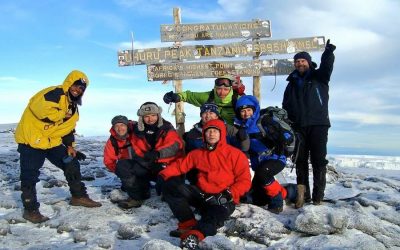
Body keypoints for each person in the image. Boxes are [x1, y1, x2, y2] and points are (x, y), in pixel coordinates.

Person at [14, 70, 102, 224]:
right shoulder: (54, 94)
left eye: (82, 88)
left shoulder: (72, 107)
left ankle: (78, 196)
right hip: (32, 141)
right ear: (69, 83)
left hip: (52, 142)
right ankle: (30, 210)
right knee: (29, 176)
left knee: (71, 162)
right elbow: (41, 111)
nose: (78, 90)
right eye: (76, 85)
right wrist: (63, 114)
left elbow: (68, 129)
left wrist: (70, 146)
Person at [158, 119, 251, 249]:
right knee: (171, 185)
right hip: (201, 194)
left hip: (223, 199)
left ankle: (195, 236)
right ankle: (187, 223)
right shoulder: (197, 153)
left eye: (215, 131)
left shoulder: (235, 154)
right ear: (204, 134)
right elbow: (180, 166)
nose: (211, 134)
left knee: (213, 217)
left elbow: (245, 180)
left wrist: (228, 194)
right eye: (208, 131)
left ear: (221, 134)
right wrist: (163, 175)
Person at [282, 39, 336, 207]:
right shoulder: (291, 84)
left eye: (302, 61)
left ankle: (318, 197)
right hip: (298, 128)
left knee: (319, 161)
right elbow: (286, 105)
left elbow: (327, 67)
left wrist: (328, 53)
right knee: (300, 161)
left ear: (308, 62)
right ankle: (302, 196)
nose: (300, 64)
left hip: (318, 124)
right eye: (297, 62)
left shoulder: (319, 77)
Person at [115, 102, 184, 209]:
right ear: (142, 117)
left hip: (166, 165)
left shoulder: (167, 128)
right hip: (146, 164)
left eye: (153, 115)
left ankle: (167, 191)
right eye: (146, 116)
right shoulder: (137, 130)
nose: (150, 119)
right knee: (123, 166)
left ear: (158, 115)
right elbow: (120, 127)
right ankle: (138, 196)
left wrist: (158, 155)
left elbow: (174, 146)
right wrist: (144, 161)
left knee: (172, 193)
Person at [234, 95, 296, 213]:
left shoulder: (264, 120)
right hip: (260, 163)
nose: (246, 113)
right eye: (242, 111)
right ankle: (292, 191)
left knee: (263, 174)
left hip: (276, 157)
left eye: (248, 110)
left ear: (254, 109)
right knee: (258, 199)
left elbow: (285, 136)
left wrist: (282, 139)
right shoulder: (241, 127)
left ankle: (277, 201)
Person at [162, 75, 245, 125]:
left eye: (225, 90)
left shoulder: (238, 100)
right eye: (219, 89)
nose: (222, 92)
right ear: (215, 88)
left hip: (231, 134)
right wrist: (176, 96)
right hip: (210, 132)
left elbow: (251, 111)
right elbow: (188, 95)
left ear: (230, 89)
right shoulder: (208, 97)